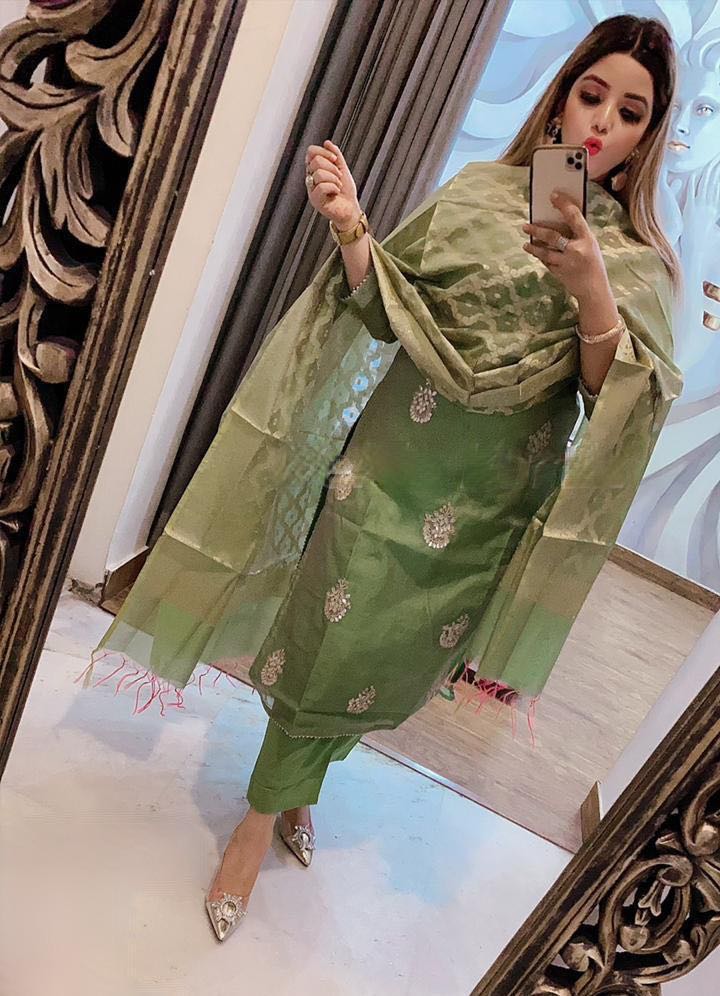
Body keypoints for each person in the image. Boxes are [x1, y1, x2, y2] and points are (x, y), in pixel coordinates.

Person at [78, 15, 682, 942]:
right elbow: (383, 307)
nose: (601, 123)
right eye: (591, 94)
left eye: (630, 112)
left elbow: (613, 405)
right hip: (388, 470)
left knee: (382, 663)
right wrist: (351, 226)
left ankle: (298, 787)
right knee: (327, 636)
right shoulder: (478, 196)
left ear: (649, 135)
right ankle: (258, 820)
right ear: (562, 95)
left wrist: (594, 289)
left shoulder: (637, 266)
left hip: (487, 506)